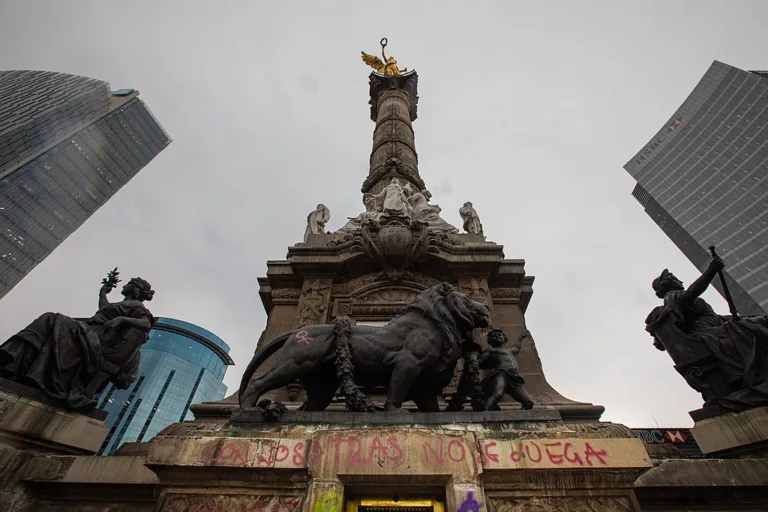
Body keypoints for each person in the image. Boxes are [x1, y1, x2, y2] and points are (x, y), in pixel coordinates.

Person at [0, 276, 155, 409]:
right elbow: (104, 309)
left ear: (135, 289)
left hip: (97, 338)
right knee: (51, 323)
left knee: (51, 319)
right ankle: (15, 363)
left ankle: (13, 361)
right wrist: (102, 293)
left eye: (129, 284)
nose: (124, 285)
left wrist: (122, 319)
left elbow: (146, 324)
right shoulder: (123, 304)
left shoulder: (137, 306)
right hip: (88, 331)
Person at [647, 257, 768, 411]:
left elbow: (717, 317)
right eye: (676, 279)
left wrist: (743, 319)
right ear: (669, 284)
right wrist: (711, 270)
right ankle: (757, 380)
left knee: (756, 322)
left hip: (719, 326)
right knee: (747, 330)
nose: (681, 281)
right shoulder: (673, 296)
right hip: (707, 333)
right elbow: (692, 292)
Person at [479, 329, 534, 410]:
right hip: (501, 374)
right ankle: (486, 412)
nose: (497, 336)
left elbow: (517, 349)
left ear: (504, 338)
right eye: (494, 336)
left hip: (514, 378)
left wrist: (521, 338)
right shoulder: (491, 350)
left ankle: (518, 418)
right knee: (498, 394)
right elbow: (480, 361)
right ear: (490, 340)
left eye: (499, 335)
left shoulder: (509, 351)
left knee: (528, 402)